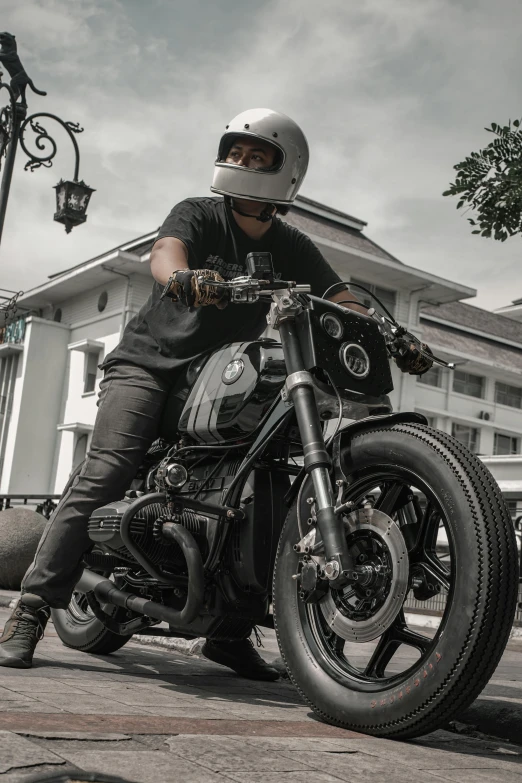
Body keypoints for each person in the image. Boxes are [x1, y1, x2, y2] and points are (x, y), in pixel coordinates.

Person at [0, 108, 431, 674]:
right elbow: (166, 253)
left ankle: (228, 631)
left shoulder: (291, 243)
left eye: (257, 156)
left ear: (286, 173)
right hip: (148, 366)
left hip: (217, 378)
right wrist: (185, 277)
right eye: (235, 152)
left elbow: (339, 292)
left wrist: (388, 330)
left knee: (254, 486)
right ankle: (32, 607)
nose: (241, 163)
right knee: (109, 468)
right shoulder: (200, 213)